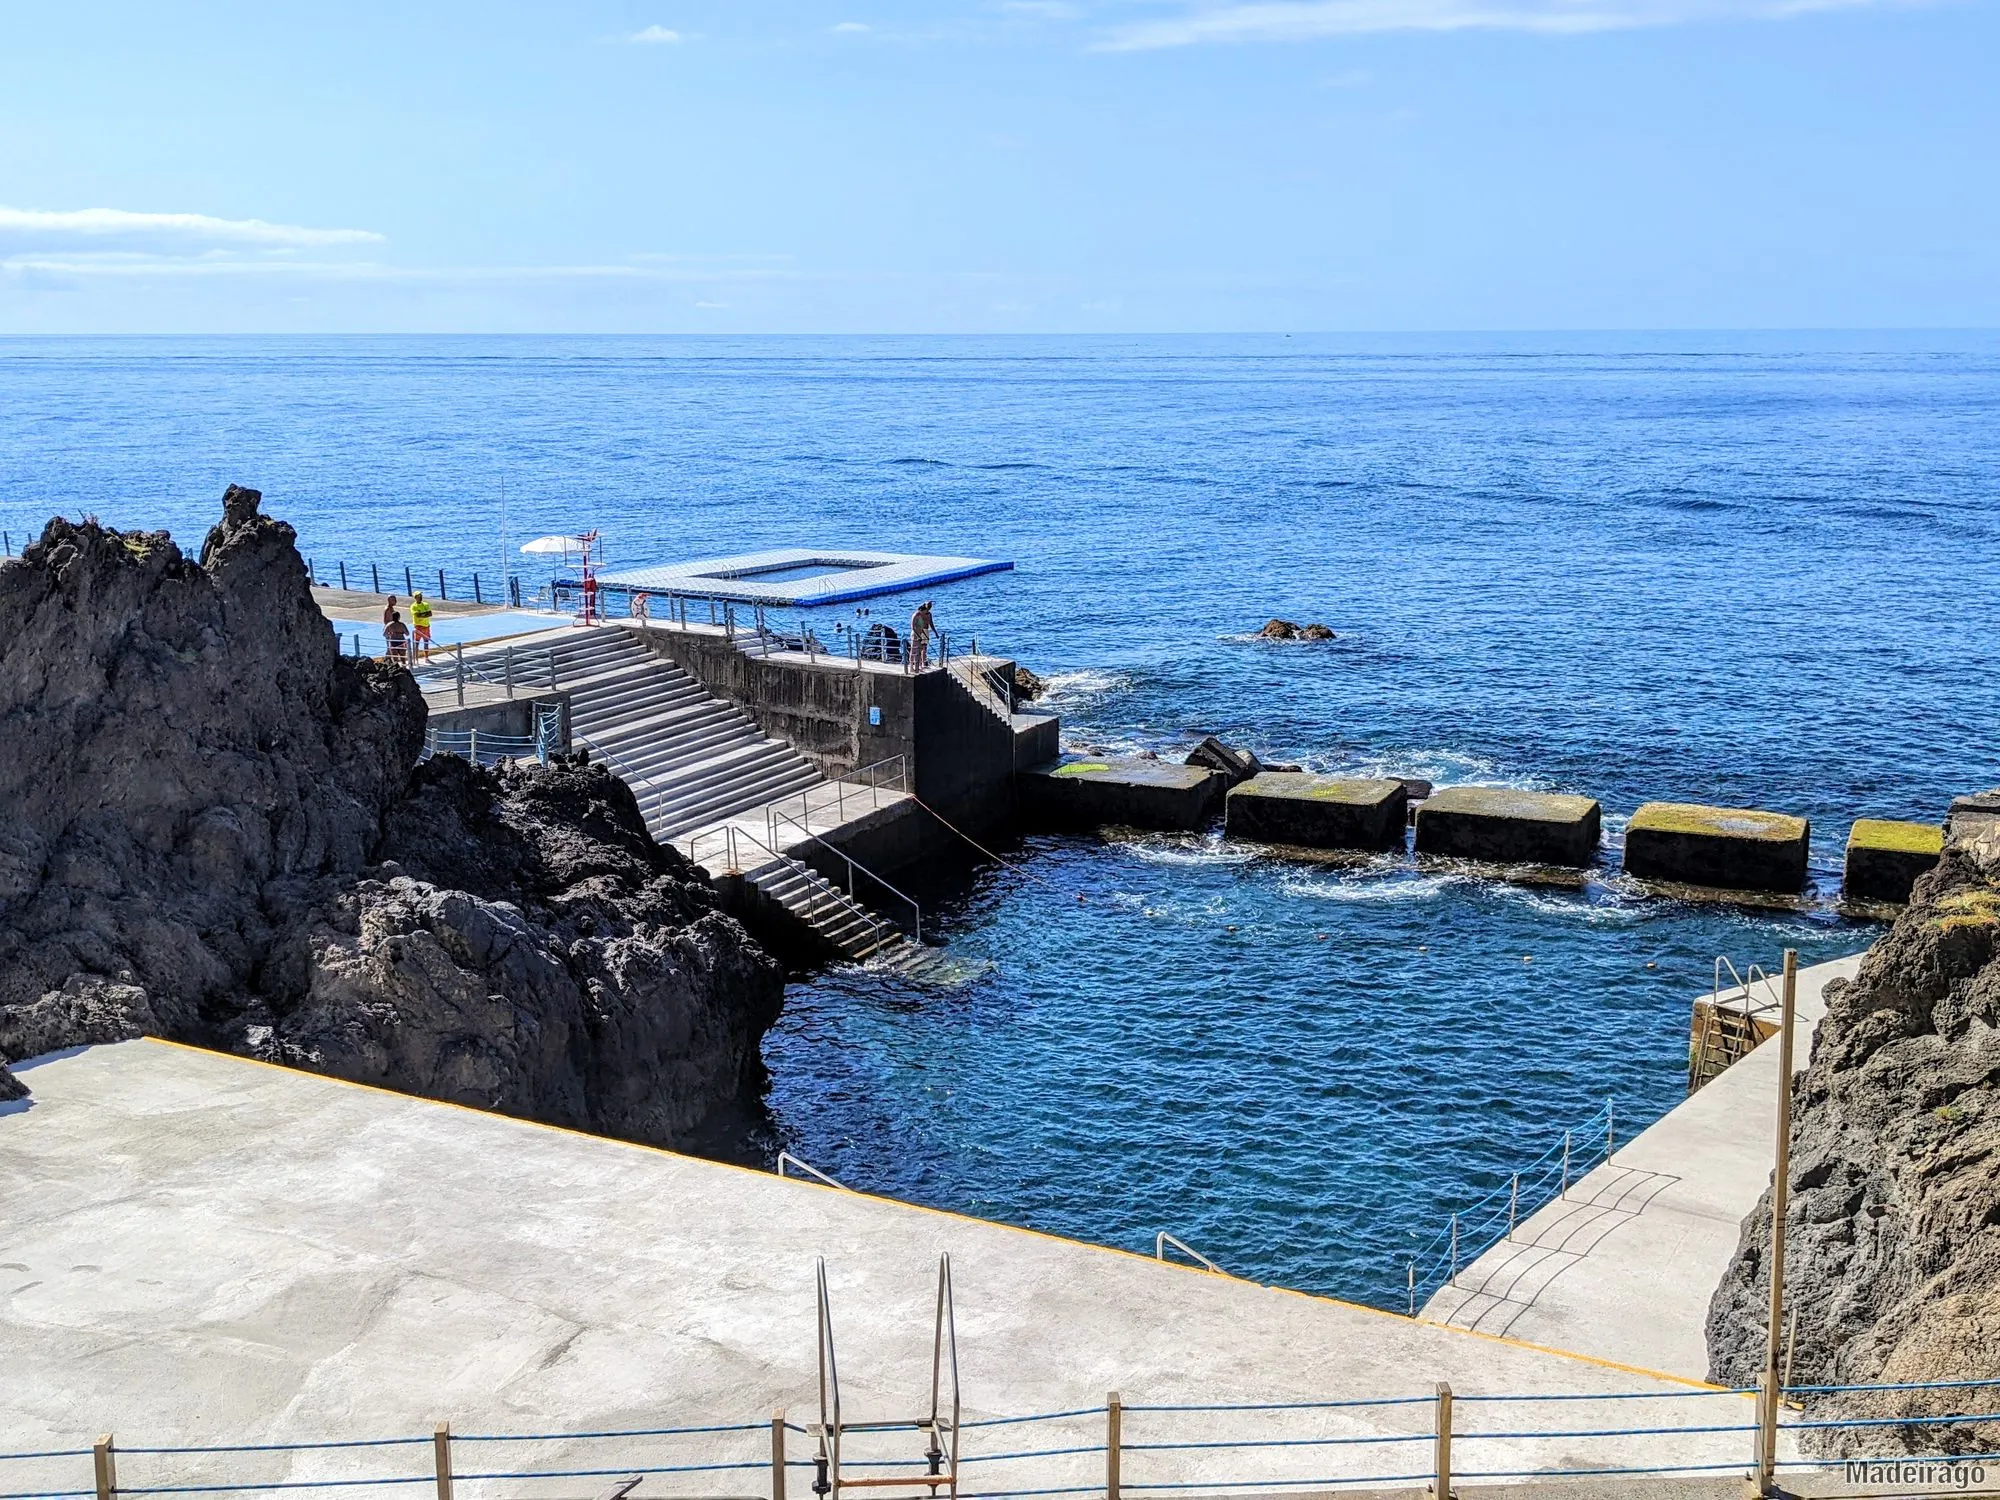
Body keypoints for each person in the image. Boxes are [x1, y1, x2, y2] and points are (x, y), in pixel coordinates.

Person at [908, 600, 935, 672]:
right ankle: (911, 666)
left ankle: (919, 665)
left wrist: (924, 634)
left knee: (919, 650)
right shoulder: (916, 615)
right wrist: (918, 636)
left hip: (920, 634)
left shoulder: (923, 615)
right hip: (915, 635)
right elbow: (913, 627)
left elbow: (922, 626)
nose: (924, 614)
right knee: (913, 650)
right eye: (924, 612)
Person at [410, 589, 435, 661]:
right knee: (416, 643)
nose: (420, 597)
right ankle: (415, 658)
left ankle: (426, 657)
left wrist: (422, 615)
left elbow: (430, 614)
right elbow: (417, 615)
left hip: (426, 626)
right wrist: (424, 614)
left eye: (421, 595)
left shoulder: (426, 604)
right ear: (415, 597)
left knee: (426, 642)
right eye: (418, 596)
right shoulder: (413, 606)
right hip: (418, 626)